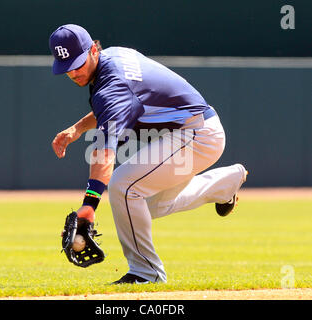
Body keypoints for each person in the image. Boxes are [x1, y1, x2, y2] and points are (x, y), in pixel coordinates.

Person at [49, 24, 248, 284]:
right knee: (143, 207)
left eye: (77, 63)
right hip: (195, 130)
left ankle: (146, 273)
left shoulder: (112, 85)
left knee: (123, 186)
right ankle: (225, 184)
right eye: (67, 68)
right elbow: (118, 104)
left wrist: (89, 204)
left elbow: (104, 150)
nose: (73, 72)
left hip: (197, 135)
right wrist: (77, 129)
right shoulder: (115, 56)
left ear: (94, 50)